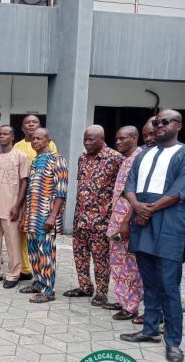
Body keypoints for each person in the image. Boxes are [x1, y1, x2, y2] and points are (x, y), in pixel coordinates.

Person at [121, 110, 184, 362]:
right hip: (142, 223)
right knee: (149, 282)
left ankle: (174, 341)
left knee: (169, 286)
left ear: (178, 126)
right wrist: (137, 206)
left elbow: (178, 192)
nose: (159, 126)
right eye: (156, 122)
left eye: (165, 122)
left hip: (169, 225)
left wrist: (148, 210)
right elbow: (129, 185)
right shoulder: (143, 154)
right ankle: (150, 329)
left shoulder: (182, 153)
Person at [64, 125, 124, 306]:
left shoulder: (116, 158)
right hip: (80, 217)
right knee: (79, 254)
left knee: (100, 258)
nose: (87, 143)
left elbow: (122, 189)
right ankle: (85, 287)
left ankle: (102, 292)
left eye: (91, 140)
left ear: (102, 139)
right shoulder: (82, 158)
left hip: (101, 220)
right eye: (85, 139)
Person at [20, 128, 68, 303]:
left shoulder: (57, 159)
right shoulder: (35, 160)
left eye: (39, 138)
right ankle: (38, 283)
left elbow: (61, 192)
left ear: (48, 140)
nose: (35, 141)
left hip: (46, 216)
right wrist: (25, 215)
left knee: (46, 253)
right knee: (34, 251)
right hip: (32, 216)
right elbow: (30, 192)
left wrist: (53, 216)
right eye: (33, 138)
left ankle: (48, 291)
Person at [103, 126, 143, 321]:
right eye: (116, 138)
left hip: (126, 223)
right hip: (116, 221)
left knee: (129, 266)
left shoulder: (140, 159)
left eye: (122, 139)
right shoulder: (126, 159)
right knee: (117, 263)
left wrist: (126, 221)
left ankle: (131, 306)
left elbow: (138, 194)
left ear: (134, 138)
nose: (117, 142)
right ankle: (123, 299)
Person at [0, 125, 29, 289]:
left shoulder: (21, 156)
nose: (2, 136)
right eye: (0, 133)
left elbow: (24, 182)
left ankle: (13, 274)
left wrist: (17, 206)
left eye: (6, 133)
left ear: (12, 137)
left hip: (11, 208)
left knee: (12, 242)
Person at [14, 115, 58, 282]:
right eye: (27, 122)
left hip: (44, 203)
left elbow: (58, 184)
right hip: (25, 198)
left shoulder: (52, 151)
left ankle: (46, 282)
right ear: (22, 127)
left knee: (43, 243)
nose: (31, 125)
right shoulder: (19, 148)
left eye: (35, 122)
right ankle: (27, 271)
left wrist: (53, 213)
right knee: (25, 237)